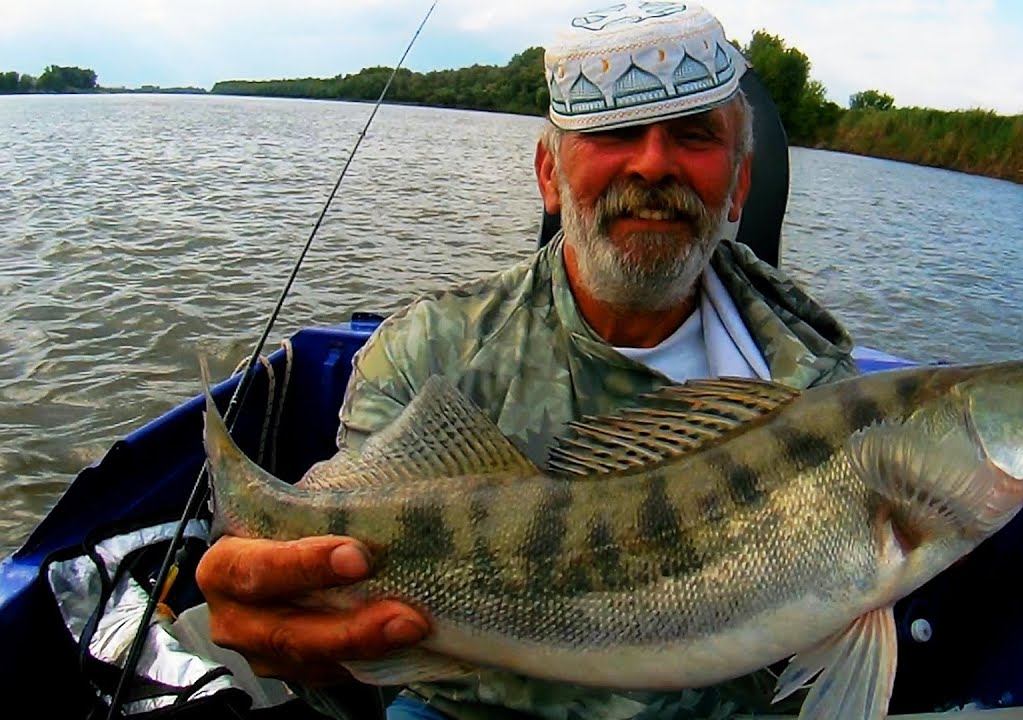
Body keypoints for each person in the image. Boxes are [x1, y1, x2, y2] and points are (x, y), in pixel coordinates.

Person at [195, 3, 858, 718]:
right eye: (613, 130)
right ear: (549, 174)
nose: (653, 163)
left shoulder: (814, 387)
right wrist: (300, 623)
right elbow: (354, 597)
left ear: (740, 184)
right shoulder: (430, 352)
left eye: (694, 135)